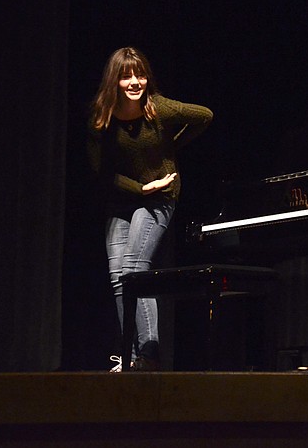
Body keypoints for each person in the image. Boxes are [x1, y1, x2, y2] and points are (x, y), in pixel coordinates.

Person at [87, 47, 213, 371]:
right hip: (122, 200)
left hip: (159, 199)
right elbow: (102, 175)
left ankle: (149, 357)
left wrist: (172, 147)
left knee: (134, 269)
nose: (135, 82)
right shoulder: (102, 117)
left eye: (140, 74)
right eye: (127, 75)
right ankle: (129, 358)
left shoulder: (157, 108)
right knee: (118, 277)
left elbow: (205, 116)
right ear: (114, 80)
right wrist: (139, 188)